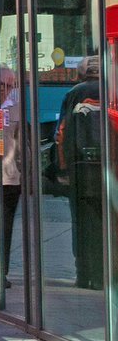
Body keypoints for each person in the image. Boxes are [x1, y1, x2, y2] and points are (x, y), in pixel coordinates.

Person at [54, 55, 103, 290]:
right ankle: (107, 274)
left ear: (82, 73)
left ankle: (85, 275)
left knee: (82, 224)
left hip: (81, 172)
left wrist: (62, 169)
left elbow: (60, 134)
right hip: (109, 170)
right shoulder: (112, 89)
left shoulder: (73, 93)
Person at [0, 67, 21, 289]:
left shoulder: (15, 109)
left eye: (10, 85)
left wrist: (23, 173)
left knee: (5, 229)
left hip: (10, 181)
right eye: (2, 85)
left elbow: (23, 143)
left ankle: (1, 273)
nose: (6, 90)